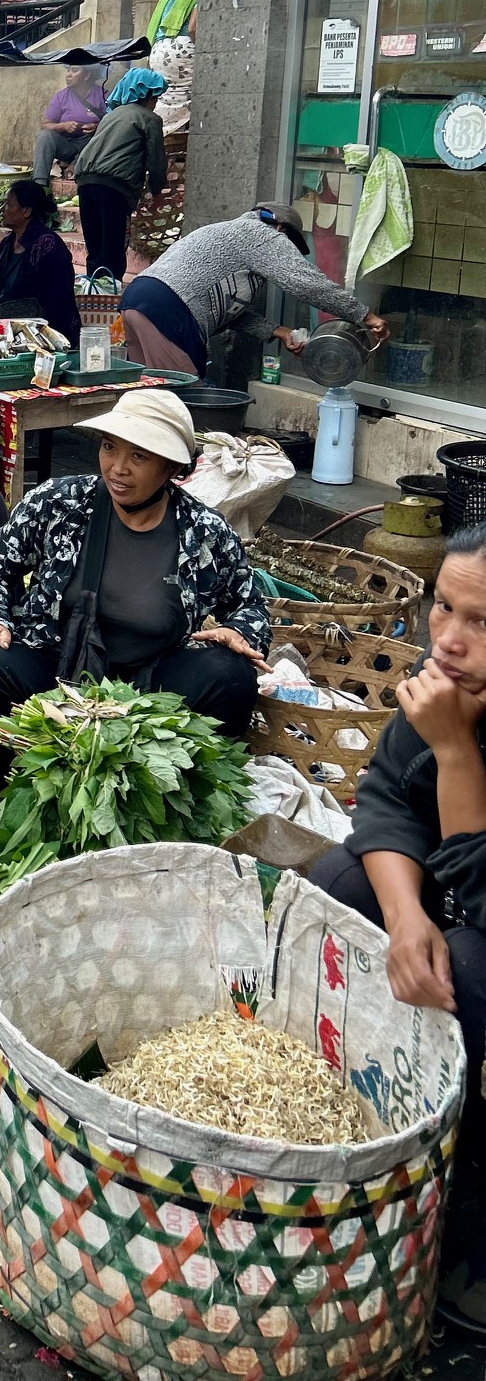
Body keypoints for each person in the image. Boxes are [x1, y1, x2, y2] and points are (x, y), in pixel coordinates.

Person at [310, 530, 486, 1333]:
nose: (448, 639)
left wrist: (457, 754)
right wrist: (409, 918)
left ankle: (464, 1205)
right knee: (341, 886)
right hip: (454, 896)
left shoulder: (449, 712)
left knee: (470, 973)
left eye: (481, 622)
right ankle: (348, 1126)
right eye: (444, 607)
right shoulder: (442, 685)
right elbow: (383, 798)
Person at [0, 388, 268, 741]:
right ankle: (16, 766)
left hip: (153, 688)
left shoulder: (205, 532)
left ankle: (175, 773)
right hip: (55, 673)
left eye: (139, 456)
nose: (118, 468)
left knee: (231, 674)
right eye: (109, 447)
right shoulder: (59, 503)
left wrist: (239, 631)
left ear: (173, 467)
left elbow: (249, 604)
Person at [120, 201, 388, 376]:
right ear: (280, 228)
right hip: (170, 309)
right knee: (179, 398)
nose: (288, 252)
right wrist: (364, 315)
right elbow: (305, 282)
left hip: (137, 298)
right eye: (290, 245)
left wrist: (279, 332)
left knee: (145, 393)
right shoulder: (262, 234)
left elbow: (226, 313)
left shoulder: (230, 235)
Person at [69, 67, 168, 282]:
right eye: (155, 98)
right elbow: (156, 160)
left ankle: (95, 292)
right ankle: (110, 292)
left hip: (85, 181)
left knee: (95, 246)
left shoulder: (111, 116)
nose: (155, 103)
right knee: (113, 246)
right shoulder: (150, 119)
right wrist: (157, 190)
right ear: (147, 96)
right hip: (114, 186)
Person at [0, 180, 81, 344]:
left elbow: (58, 302)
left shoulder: (48, 246)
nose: (2, 209)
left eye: (8, 204)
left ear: (26, 211)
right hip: (9, 329)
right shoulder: (6, 244)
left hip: (47, 334)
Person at [147, 0, 199, 136]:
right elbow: (193, 28)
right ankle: (174, 139)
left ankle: (160, 134)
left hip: (158, 50)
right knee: (186, 98)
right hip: (182, 50)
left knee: (166, 97)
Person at [33, 64, 106, 185]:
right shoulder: (61, 97)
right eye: (68, 71)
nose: (68, 75)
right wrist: (63, 126)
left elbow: (113, 124)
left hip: (90, 146)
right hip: (67, 145)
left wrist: (97, 128)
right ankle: (40, 184)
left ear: (87, 75)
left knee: (102, 138)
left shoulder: (102, 95)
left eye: (74, 70)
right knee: (44, 136)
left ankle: (76, 165)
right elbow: (46, 125)